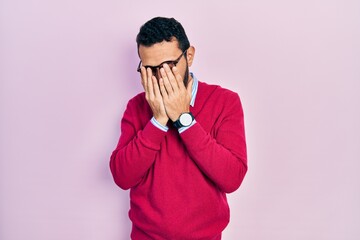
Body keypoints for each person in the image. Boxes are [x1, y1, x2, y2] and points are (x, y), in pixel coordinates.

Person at [110, 17, 248, 240]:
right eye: (149, 69)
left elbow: (232, 178)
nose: (160, 77)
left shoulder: (225, 102)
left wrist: (184, 119)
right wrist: (157, 121)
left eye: (168, 66)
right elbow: (122, 176)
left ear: (189, 56)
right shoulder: (136, 107)